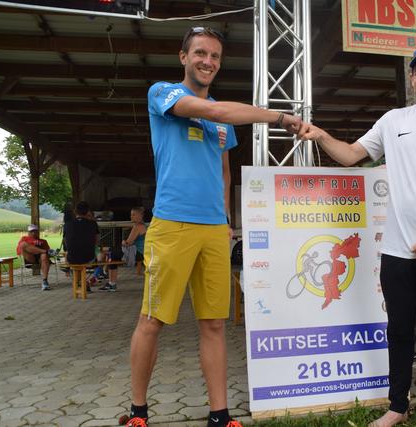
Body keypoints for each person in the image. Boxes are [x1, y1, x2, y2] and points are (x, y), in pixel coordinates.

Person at [298, 44, 416, 427]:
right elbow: (352, 154)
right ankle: (397, 407)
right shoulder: (392, 119)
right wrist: (321, 136)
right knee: (399, 330)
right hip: (397, 250)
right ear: (412, 78)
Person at [124, 26, 304, 427]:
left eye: (215, 57)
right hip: (171, 224)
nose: (208, 62)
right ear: (183, 56)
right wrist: (279, 116)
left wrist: (225, 221)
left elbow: (224, 172)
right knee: (152, 320)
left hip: (212, 230)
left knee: (214, 323)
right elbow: (215, 111)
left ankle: (220, 415)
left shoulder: (225, 122)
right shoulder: (163, 93)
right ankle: (138, 411)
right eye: (201, 53)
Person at [16, 224, 52, 290]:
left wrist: (46, 252)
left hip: (41, 259)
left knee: (44, 255)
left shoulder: (43, 241)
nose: (33, 233)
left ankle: (45, 281)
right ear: (28, 232)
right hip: (30, 258)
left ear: (37, 232)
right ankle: (43, 251)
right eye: (31, 231)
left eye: (35, 231)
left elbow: (49, 254)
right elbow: (19, 251)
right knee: (23, 244)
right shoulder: (24, 239)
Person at [122, 207, 148, 275]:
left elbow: (128, 243)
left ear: (140, 216)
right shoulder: (143, 225)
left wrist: (123, 242)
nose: (131, 216)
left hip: (139, 252)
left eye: (133, 214)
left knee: (110, 253)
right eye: (131, 214)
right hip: (142, 251)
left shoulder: (137, 226)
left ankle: (105, 275)